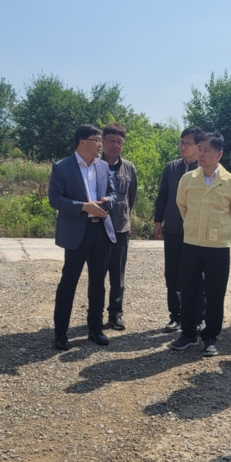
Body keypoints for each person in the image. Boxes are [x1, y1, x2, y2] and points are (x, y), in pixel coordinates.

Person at [171, 132, 231, 357]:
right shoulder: (188, 179)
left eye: (206, 150)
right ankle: (188, 333)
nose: (200, 153)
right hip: (191, 243)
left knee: (215, 292)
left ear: (219, 154)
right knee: (189, 289)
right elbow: (182, 207)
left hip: (218, 246)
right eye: (199, 148)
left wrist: (217, 229)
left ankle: (210, 335)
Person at [48, 125, 117, 350]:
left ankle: (95, 329)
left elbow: (114, 193)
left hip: (101, 231)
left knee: (98, 283)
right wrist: (84, 207)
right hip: (78, 232)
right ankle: (60, 333)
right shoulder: (62, 167)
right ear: (82, 142)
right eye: (97, 140)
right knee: (69, 282)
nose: (101, 144)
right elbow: (56, 199)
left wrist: (108, 201)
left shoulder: (103, 166)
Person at [153, 126, 204, 332]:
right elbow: (163, 196)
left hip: (195, 233)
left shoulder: (204, 169)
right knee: (172, 275)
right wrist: (158, 221)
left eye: (188, 143)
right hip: (173, 230)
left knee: (196, 276)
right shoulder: (171, 168)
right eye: (182, 142)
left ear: (198, 146)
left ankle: (199, 317)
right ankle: (176, 316)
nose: (183, 146)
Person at [100, 123, 138, 330]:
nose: (115, 145)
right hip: (97, 230)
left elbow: (131, 198)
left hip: (120, 230)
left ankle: (115, 314)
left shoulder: (129, 168)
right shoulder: (94, 165)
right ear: (103, 141)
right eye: (111, 141)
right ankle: (95, 315)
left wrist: (122, 216)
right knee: (97, 276)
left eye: (120, 142)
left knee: (118, 276)